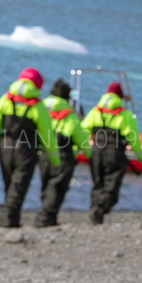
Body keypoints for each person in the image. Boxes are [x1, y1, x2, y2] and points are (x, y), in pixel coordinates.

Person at [0, 66, 59, 227]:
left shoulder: (5, 99)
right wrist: (55, 158)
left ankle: (10, 220)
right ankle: (8, 221)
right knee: (18, 187)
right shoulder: (37, 106)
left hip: (5, 146)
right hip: (26, 149)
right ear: (37, 85)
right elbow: (47, 135)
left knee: (9, 184)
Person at [83, 81, 142, 223]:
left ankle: (95, 216)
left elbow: (83, 129)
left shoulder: (95, 111)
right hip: (114, 153)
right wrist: (140, 155)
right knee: (111, 188)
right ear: (120, 97)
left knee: (98, 184)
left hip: (96, 151)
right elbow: (132, 135)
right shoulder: (125, 114)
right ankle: (98, 210)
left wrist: (83, 148)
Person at [36, 79, 88, 227]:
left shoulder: (40, 109)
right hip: (64, 156)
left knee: (46, 186)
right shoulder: (70, 116)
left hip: (43, 153)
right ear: (67, 98)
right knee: (57, 188)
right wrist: (89, 154)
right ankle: (44, 220)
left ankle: (49, 219)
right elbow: (82, 140)